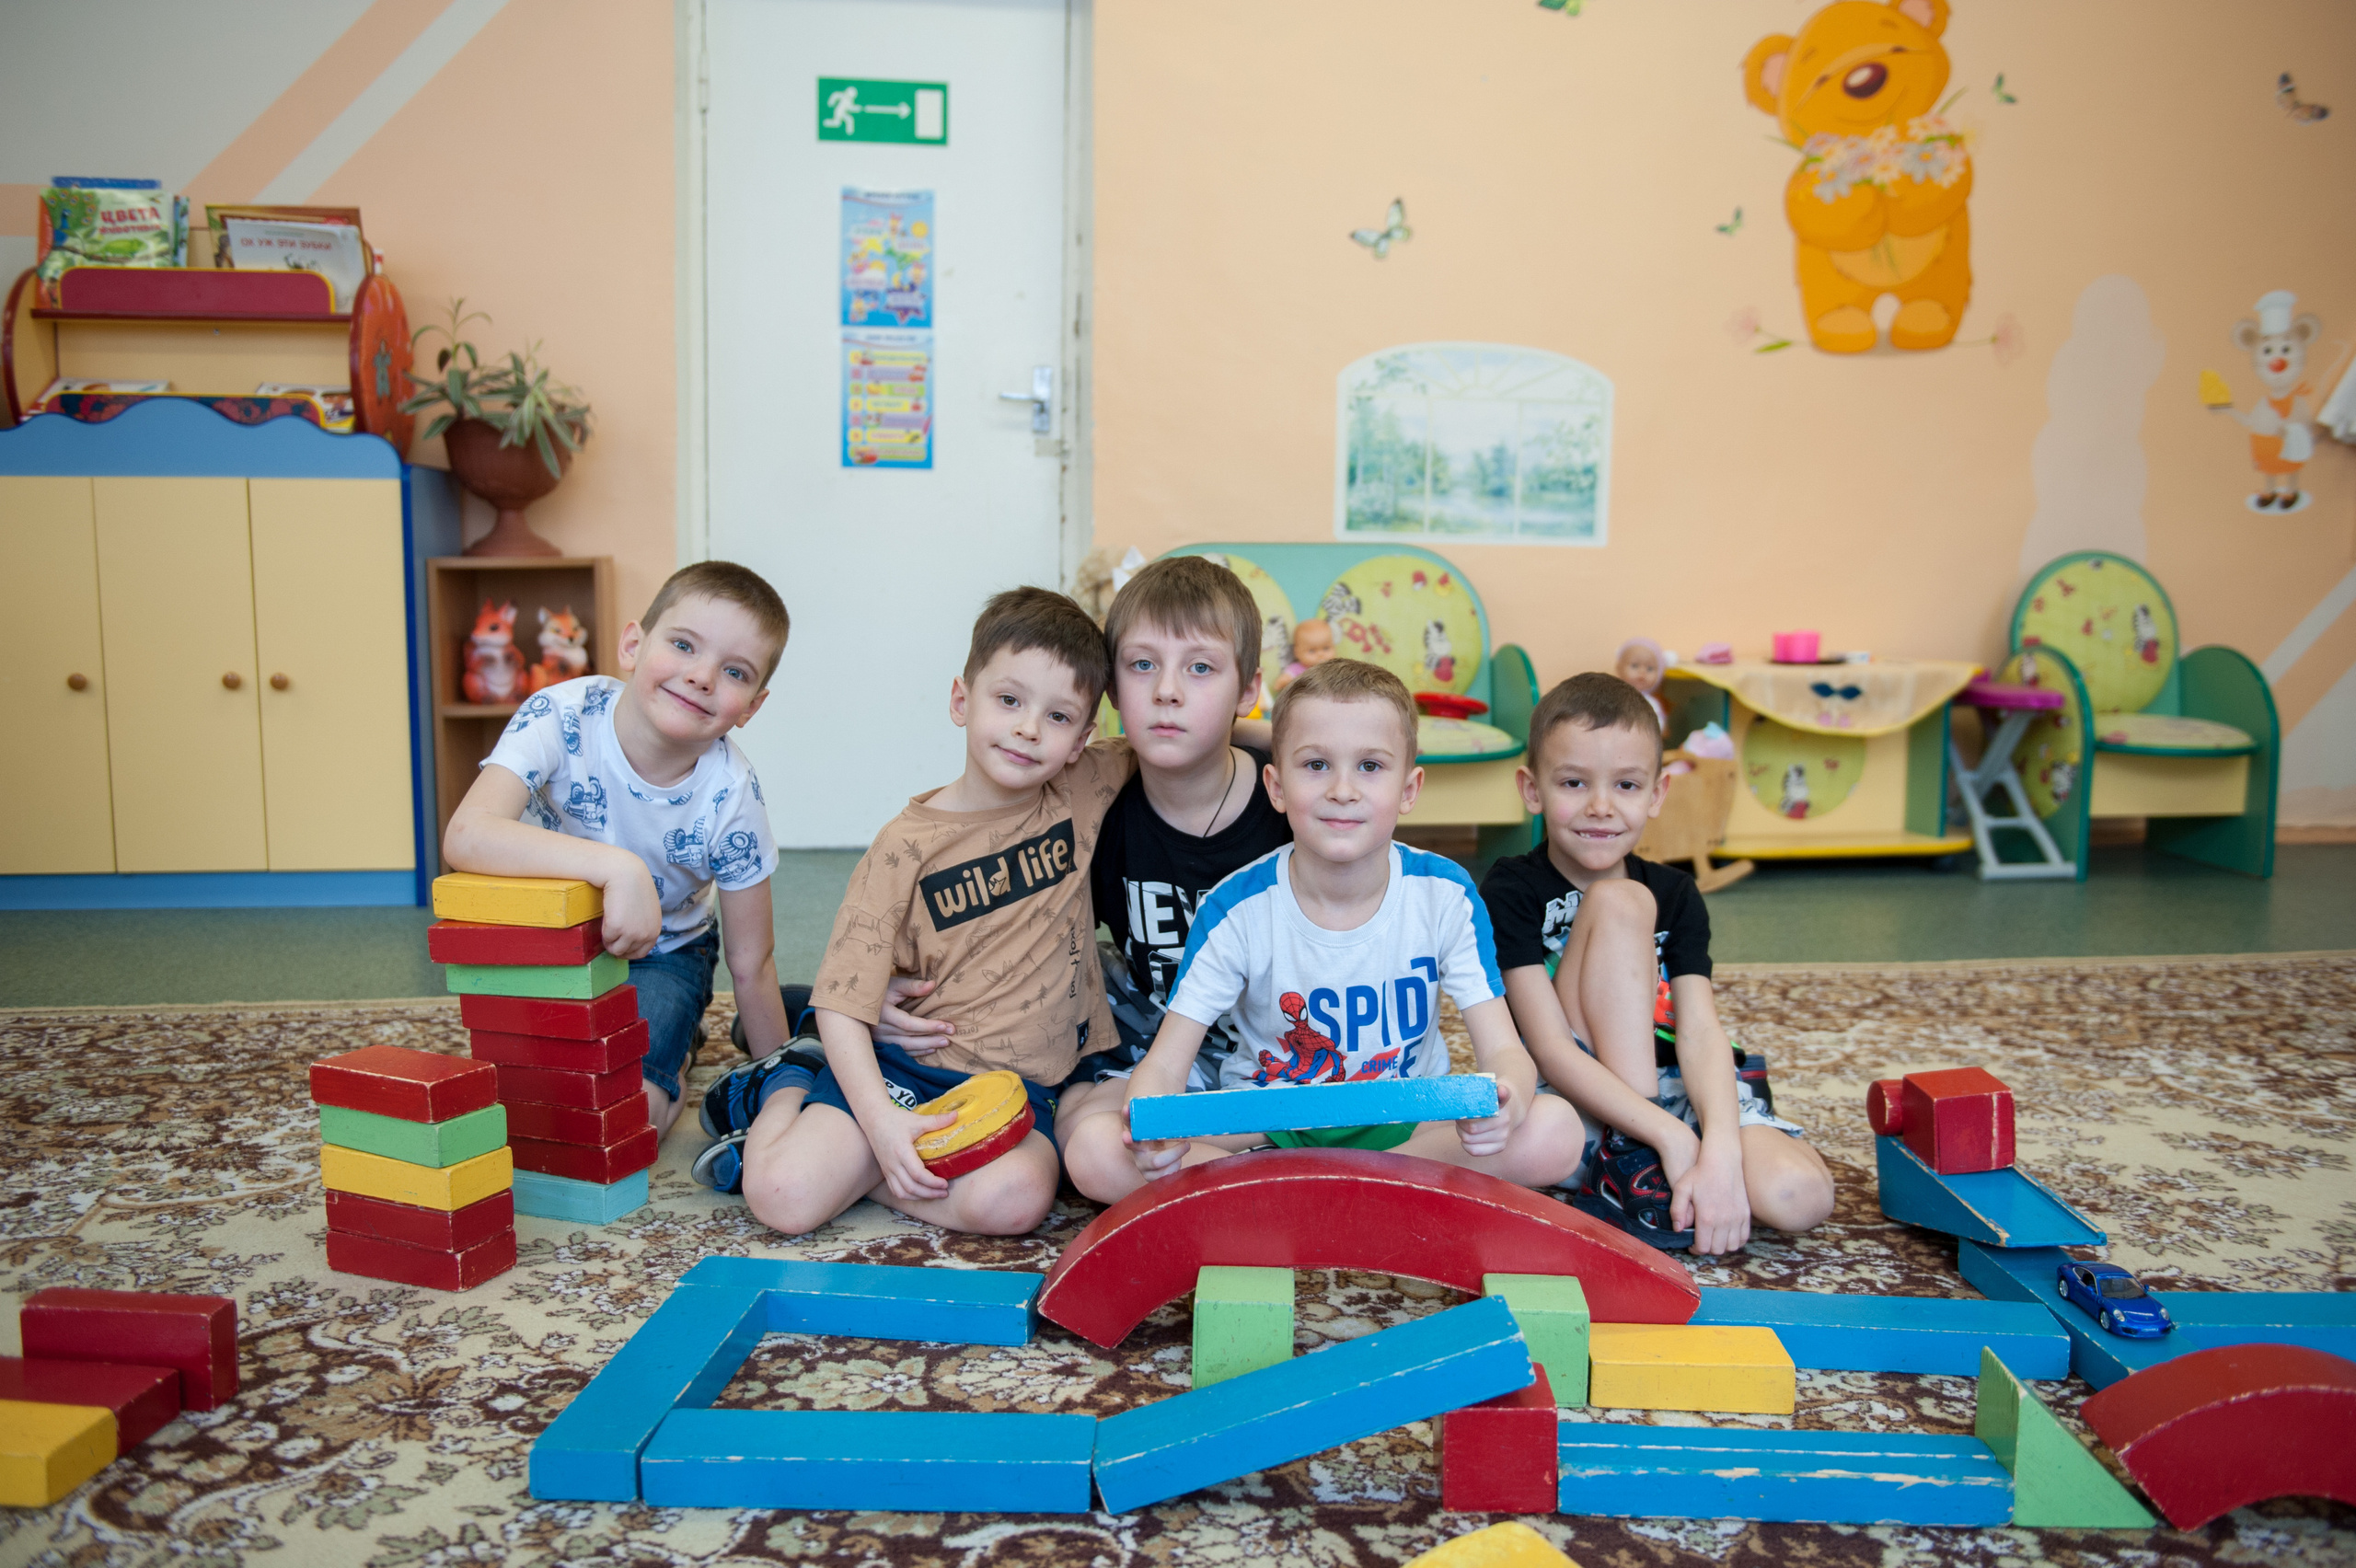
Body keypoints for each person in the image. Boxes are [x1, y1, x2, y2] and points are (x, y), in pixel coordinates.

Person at [724, 587, 1132, 1237]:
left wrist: (1279, 733)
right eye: (1008, 700)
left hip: (1019, 1084)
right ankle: (786, 1080)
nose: (1029, 727)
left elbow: (1182, 737)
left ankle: (878, 1176)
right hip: (905, 1069)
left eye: (1058, 718)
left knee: (1018, 1200)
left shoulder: (1080, 787)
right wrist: (881, 1121)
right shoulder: (904, 846)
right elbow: (842, 996)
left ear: (1083, 740)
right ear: (960, 701)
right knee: (781, 1197)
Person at [1109, 659, 1588, 1201]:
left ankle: (1307, 1189)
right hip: (1268, 1122)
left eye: (1369, 766)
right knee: (1098, 1151)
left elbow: (1504, 1053)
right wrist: (1151, 1130)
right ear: (1276, 785)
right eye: (1315, 765)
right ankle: (1365, 1189)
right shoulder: (1235, 908)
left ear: (1409, 790)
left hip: (1408, 1121)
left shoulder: (1445, 894)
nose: (1342, 789)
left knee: (1555, 1130)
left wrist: (1510, 1103)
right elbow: (1166, 1065)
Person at [1479, 671, 1833, 1255]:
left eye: (1625, 784)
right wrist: (1665, 1136)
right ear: (1532, 788)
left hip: (1679, 1089)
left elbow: (1698, 1029)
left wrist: (1715, 1148)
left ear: (1657, 794)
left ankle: (1663, 1158)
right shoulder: (1511, 889)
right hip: (1580, 1100)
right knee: (1620, 901)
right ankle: (1635, 1152)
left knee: (1799, 1197)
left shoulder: (1677, 893)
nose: (1600, 806)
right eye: (1573, 782)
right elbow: (1548, 1048)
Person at [442, 561, 794, 1137]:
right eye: (683, 645)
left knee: (624, 1124)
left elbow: (752, 963)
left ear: (752, 707)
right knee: (521, 1106)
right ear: (633, 644)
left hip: (665, 954)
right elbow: (467, 834)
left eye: (734, 671)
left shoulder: (733, 796)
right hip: (548, 942)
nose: (702, 676)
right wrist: (617, 869)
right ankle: (673, 1036)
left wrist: (782, 1090)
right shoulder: (559, 714)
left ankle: (675, 1056)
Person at [1056, 556, 1293, 1199]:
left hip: (1273, 1047)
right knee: (1076, 1129)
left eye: (1200, 668)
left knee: (1097, 1145)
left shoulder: (1295, 793)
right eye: (1142, 665)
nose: (1167, 690)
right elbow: (965, 832)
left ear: (1248, 691)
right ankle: (1247, 1165)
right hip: (1152, 1025)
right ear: (1111, 688)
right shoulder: (1094, 796)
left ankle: (1247, 1166)